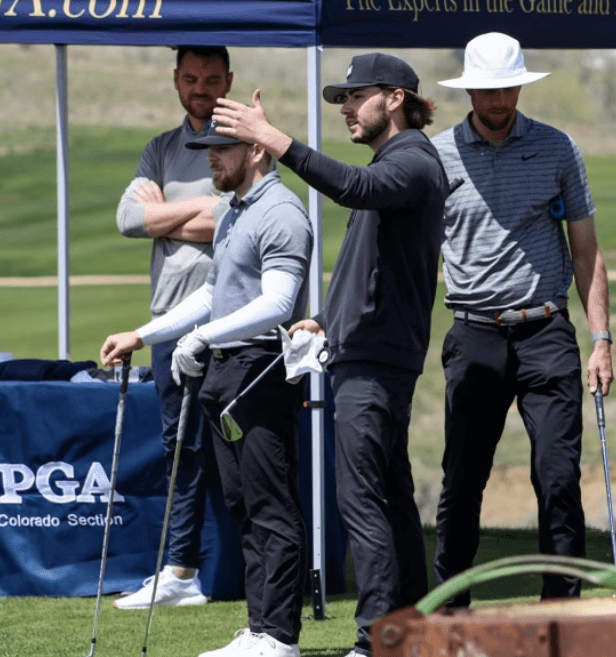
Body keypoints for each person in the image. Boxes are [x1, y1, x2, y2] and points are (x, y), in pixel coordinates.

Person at [213, 53, 449, 657]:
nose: (344, 106)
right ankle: (411, 631)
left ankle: (376, 640)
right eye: (340, 98)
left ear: (394, 98)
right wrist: (325, 319)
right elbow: (365, 268)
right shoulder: (395, 161)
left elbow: (352, 187)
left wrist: (275, 139)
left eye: (354, 95)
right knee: (390, 495)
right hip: (363, 351)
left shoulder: (415, 161)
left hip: (376, 361)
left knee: (362, 497)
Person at [101, 123, 313, 657]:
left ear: (257, 150)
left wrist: (203, 336)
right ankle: (260, 628)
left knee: (271, 505)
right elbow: (214, 294)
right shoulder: (233, 211)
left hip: (261, 370)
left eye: (220, 150)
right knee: (243, 505)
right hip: (226, 371)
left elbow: (279, 303)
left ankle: (280, 637)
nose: (210, 160)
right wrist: (143, 334)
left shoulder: (281, 212)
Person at [430, 32, 615, 603]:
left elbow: (586, 249)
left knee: (558, 478)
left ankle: (563, 610)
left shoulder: (557, 148)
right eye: (487, 90)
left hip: (546, 331)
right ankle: (451, 610)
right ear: (470, 90)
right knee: (463, 481)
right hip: (474, 335)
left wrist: (601, 338)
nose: (499, 100)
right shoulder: (435, 156)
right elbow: (407, 252)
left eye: (508, 87)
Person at [111, 45, 234, 610]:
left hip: (232, 324)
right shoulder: (160, 148)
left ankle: (237, 572)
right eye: (191, 78)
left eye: (211, 78)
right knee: (180, 448)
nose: (201, 88)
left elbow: (234, 223)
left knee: (237, 452)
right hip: (168, 323)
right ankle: (180, 571)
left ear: (228, 80)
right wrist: (199, 214)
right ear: (176, 82)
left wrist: (167, 220)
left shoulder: (245, 139)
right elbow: (128, 219)